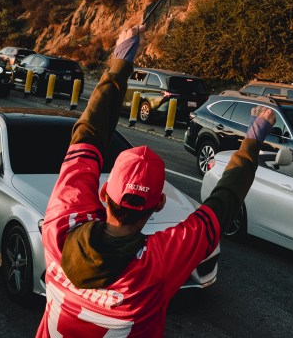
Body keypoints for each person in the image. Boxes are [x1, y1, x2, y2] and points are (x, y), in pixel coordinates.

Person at [36, 24, 276, 337]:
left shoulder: (59, 227)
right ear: (159, 204)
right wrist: (253, 138)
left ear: (105, 190)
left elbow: (87, 136)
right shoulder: (155, 268)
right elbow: (222, 205)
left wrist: (122, 61)